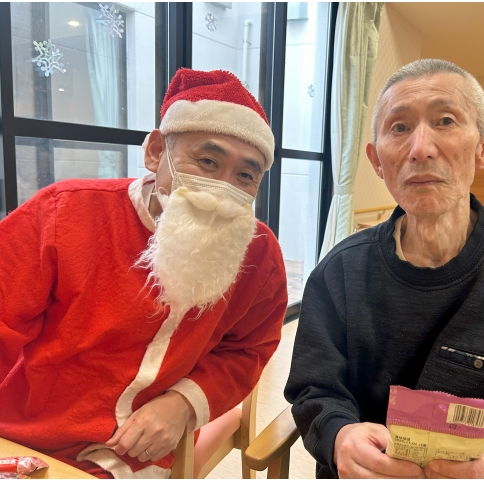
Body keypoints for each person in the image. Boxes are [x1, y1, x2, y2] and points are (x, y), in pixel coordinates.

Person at [284, 59, 484, 479]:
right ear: (376, 160)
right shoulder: (339, 272)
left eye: (445, 121)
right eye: (399, 127)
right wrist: (339, 436)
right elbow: (314, 389)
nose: (420, 148)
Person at [0, 69, 288, 478]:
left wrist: (183, 403)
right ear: (155, 152)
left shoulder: (260, 255)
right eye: (208, 161)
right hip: (27, 432)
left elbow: (248, 350)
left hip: (140, 449)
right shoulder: (64, 213)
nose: (222, 192)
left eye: (245, 176)